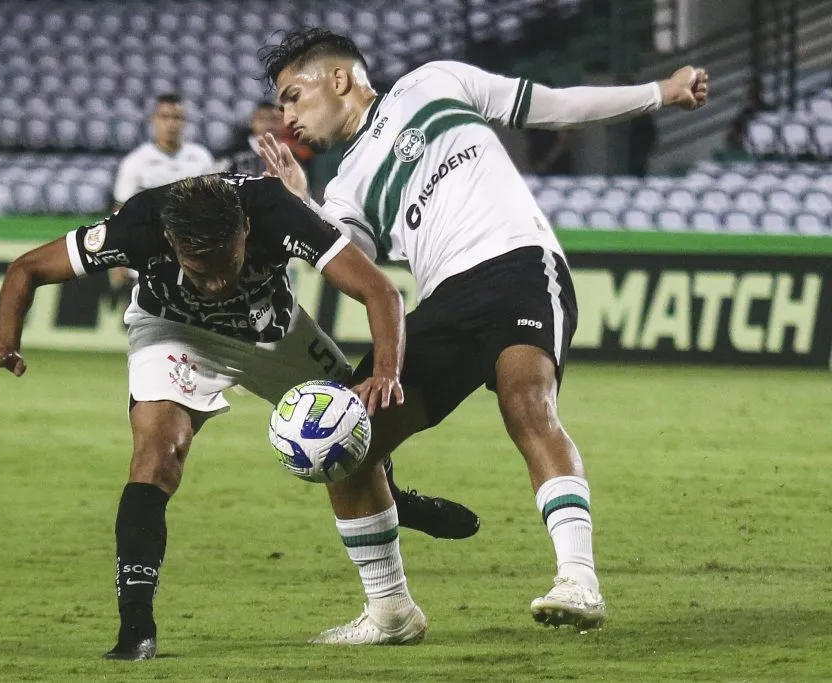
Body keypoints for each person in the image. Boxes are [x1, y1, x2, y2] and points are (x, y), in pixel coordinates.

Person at [257, 28, 708, 642]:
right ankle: (390, 611)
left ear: (337, 80)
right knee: (348, 438)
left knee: (527, 402)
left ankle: (578, 579)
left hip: (520, 264)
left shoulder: (437, 82)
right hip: (445, 300)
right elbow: (354, 269)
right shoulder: (346, 186)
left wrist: (662, 91)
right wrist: (303, 208)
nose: (287, 119)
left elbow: (555, 105)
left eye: (292, 96)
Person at [0, 172, 470, 660]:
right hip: (172, 332)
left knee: (351, 442)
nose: (213, 285)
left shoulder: (275, 209)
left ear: (245, 230)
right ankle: (136, 625)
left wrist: (386, 372)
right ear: (168, 240)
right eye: (198, 270)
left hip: (273, 335)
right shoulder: (139, 223)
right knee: (157, 456)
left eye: (225, 266)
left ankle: (395, 506)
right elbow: (26, 269)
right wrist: (5, 343)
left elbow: (380, 291)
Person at [108, 94, 216, 288]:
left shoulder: (201, 158)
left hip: (193, 259)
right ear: (154, 120)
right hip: (146, 259)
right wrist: (116, 262)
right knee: (139, 317)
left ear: (184, 122)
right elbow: (120, 211)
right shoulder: (136, 162)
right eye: (165, 117)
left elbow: (214, 207)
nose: (171, 124)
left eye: (176, 118)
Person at [215, 102, 284, 176]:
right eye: (262, 119)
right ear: (251, 122)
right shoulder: (231, 156)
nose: (268, 124)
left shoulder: (291, 154)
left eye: (274, 120)